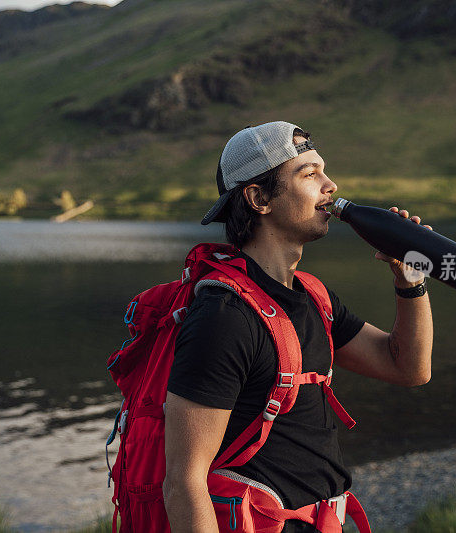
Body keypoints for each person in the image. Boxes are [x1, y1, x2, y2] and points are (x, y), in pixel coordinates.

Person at [163, 121, 433, 533]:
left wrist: (409, 281)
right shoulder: (225, 317)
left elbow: (408, 369)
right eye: (309, 174)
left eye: (323, 170)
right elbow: (183, 482)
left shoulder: (313, 297)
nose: (331, 184)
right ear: (259, 198)